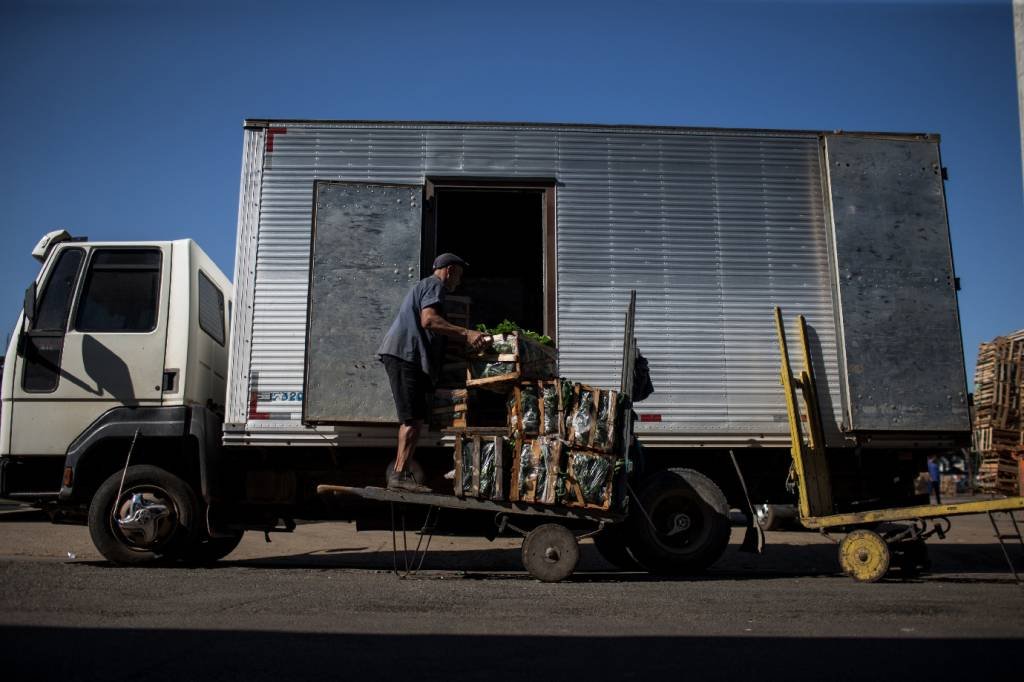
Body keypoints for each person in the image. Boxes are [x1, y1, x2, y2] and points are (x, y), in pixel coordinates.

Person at [377, 253, 489, 492]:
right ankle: (398, 477)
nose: (458, 281)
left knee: (414, 420)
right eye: (458, 275)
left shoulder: (427, 287)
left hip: (406, 356)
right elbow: (429, 320)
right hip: (404, 355)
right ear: (449, 270)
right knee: (412, 420)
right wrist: (466, 333)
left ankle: (400, 474)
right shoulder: (434, 285)